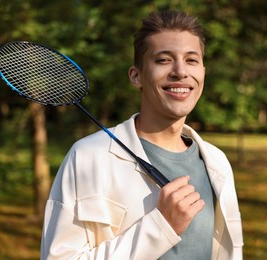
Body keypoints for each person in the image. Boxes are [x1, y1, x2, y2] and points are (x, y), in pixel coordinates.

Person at [40, 10, 243, 260]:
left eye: (191, 60)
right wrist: (160, 227)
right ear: (136, 76)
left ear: (202, 72)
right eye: (164, 60)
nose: (180, 71)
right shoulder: (88, 157)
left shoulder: (217, 162)